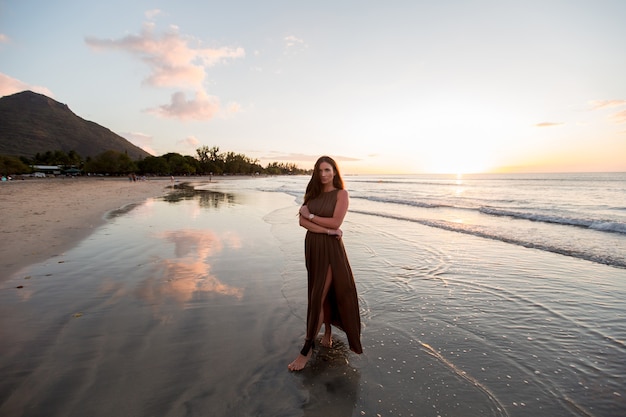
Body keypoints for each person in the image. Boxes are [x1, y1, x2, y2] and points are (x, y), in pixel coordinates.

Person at [288, 156, 363, 371]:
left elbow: (335, 222)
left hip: (330, 251)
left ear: (334, 172)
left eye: (327, 170)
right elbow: (302, 222)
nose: (323, 174)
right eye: (320, 170)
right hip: (313, 248)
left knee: (319, 295)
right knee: (321, 294)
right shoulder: (313, 193)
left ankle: (306, 349)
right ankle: (326, 331)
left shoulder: (342, 194)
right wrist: (327, 230)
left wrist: (312, 216)